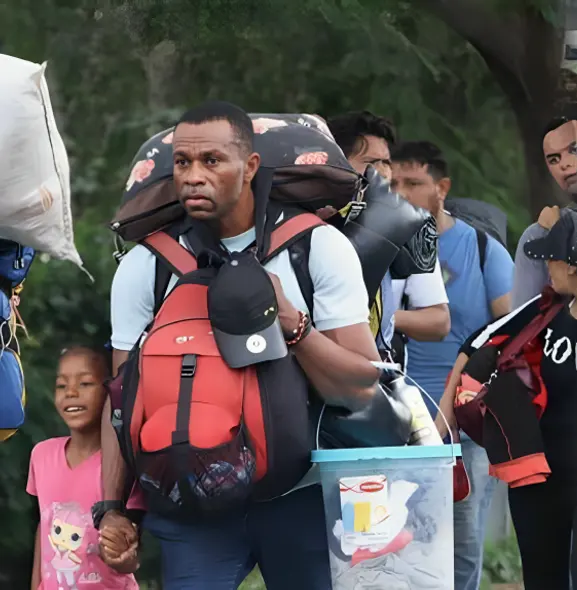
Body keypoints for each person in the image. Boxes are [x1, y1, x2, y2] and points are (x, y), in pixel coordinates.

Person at [102, 101, 380, 589]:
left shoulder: (315, 247)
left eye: (212, 160)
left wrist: (294, 327)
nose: (193, 176)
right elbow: (122, 402)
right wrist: (112, 507)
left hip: (302, 496)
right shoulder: (148, 266)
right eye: (183, 163)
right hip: (190, 499)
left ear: (250, 167)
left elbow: (360, 385)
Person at [439, 209, 577, 590]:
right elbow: (475, 347)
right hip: (537, 473)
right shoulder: (544, 313)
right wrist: (442, 428)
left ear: (572, 265)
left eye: (552, 261)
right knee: (544, 580)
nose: (548, 271)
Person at [389, 141, 513, 590]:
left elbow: (510, 333)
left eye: (413, 183)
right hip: (390, 420)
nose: (400, 193)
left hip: (465, 420)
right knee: (396, 538)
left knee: (462, 539)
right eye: (393, 183)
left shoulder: (482, 250)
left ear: (441, 188)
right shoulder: (375, 251)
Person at [327, 111, 450, 358]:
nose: (383, 173)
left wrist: (378, 317)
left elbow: (440, 322)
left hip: (381, 371)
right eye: (372, 163)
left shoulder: (411, 225)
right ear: (337, 162)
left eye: (386, 163)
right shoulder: (306, 221)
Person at [29, 347, 142, 590]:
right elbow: (44, 526)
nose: (71, 392)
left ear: (108, 393)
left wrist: (124, 559)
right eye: (61, 385)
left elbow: (132, 554)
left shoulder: (121, 464)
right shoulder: (41, 455)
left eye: (85, 383)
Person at [512, 115, 577, 307]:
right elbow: (525, 320)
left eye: (574, 150)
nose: (564, 163)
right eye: (554, 159)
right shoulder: (540, 233)